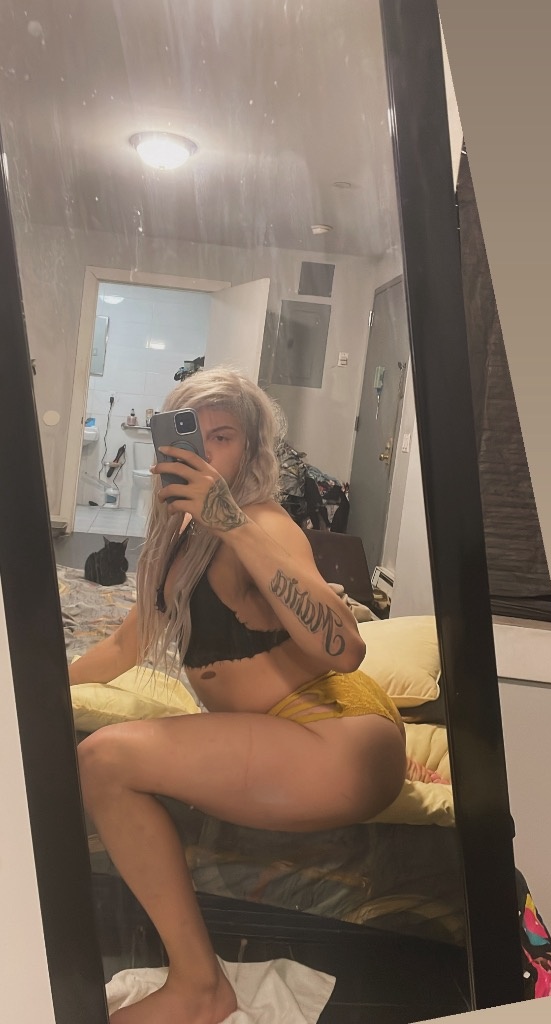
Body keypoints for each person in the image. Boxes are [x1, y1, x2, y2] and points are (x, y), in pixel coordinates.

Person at [71, 367, 440, 1024]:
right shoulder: (182, 539)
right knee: (104, 756)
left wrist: (229, 519)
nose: (208, 452)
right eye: (193, 435)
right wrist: (41, 685)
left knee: (103, 759)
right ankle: (197, 984)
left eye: (225, 437)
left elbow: (345, 649)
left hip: (334, 739)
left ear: (251, 450)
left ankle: (198, 986)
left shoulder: (263, 524)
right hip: (305, 729)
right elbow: (128, 644)